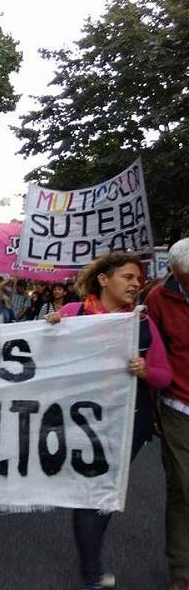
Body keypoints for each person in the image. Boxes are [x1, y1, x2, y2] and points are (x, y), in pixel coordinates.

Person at [45, 252, 172, 590]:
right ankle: (91, 572)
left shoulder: (143, 324)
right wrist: (50, 331)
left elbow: (164, 375)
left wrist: (146, 371)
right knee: (92, 493)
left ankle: (91, 565)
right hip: (80, 421)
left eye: (138, 279)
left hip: (128, 424)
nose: (136, 284)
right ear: (104, 279)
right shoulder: (74, 314)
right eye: (128, 277)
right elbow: (43, 359)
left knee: (102, 494)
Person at [144, 238, 189, 590]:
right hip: (178, 407)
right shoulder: (158, 299)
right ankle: (181, 572)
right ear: (174, 273)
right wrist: (152, 405)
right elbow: (152, 352)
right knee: (183, 488)